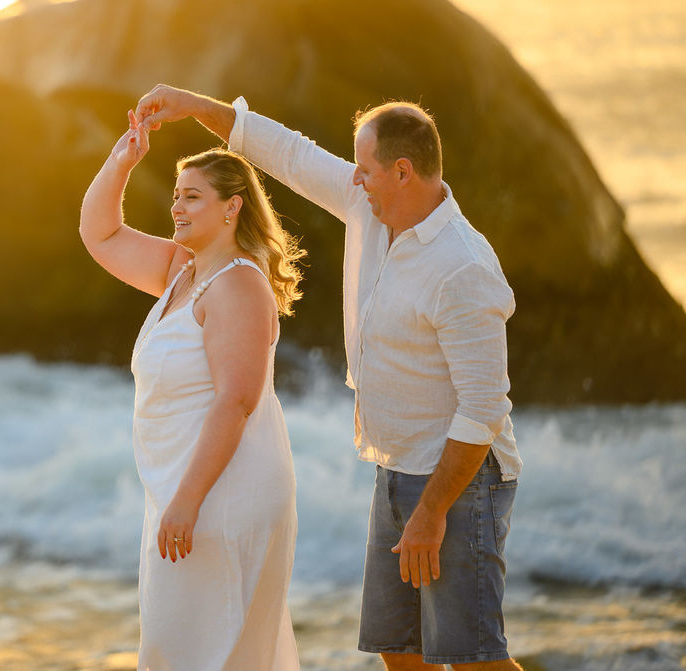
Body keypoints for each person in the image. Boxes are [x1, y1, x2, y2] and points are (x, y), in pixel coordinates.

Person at [133, 86, 524, 671]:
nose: (354, 180)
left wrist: (431, 513)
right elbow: (289, 155)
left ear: (402, 171)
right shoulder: (369, 208)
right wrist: (197, 108)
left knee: (473, 660)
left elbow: (483, 411)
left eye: (364, 170)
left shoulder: (461, 266)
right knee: (399, 651)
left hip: (458, 480)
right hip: (395, 468)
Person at [79, 110, 305, 670]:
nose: (177, 207)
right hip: (184, 494)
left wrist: (187, 500)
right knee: (175, 652)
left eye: (193, 197)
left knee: (208, 656)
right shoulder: (185, 271)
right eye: (176, 195)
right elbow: (98, 232)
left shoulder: (238, 285)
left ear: (233, 207)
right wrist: (123, 159)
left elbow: (237, 399)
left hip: (221, 496)